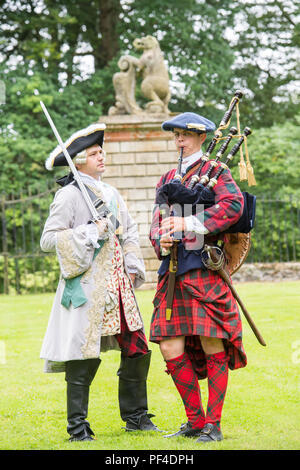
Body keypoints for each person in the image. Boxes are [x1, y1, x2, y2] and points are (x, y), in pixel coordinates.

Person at [40, 123, 160, 441]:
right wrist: (90, 231)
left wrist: (133, 266)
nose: (102, 156)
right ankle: (77, 428)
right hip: (88, 288)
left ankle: (136, 418)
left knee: (137, 346)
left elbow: (130, 232)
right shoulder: (68, 195)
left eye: (101, 151)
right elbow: (48, 240)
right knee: (84, 354)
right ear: (79, 162)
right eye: (95, 153)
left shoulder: (111, 193)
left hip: (119, 286)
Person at [149, 112, 247, 443]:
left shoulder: (217, 171)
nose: (180, 140)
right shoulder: (165, 179)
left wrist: (189, 224)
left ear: (202, 137)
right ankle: (195, 420)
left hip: (203, 268)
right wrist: (160, 239)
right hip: (172, 271)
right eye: (176, 135)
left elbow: (234, 206)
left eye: (186, 135)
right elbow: (156, 219)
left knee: (210, 342)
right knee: (169, 344)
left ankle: (214, 425)